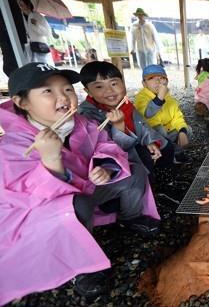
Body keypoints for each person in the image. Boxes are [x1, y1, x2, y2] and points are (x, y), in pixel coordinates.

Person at [0, 63, 161, 304]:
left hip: (87, 188)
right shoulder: (13, 145)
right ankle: (81, 268)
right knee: (78, 205)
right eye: (48, 91)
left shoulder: (81, 123)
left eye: (67, 89)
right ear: (22, 102)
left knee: (134, 172)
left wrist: (106, 167)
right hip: (43, 215)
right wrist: (52, 160)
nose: (63, 97)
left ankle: (131, 216)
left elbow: (106, 146)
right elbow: (23, 197)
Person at [78, 61, 175, 178]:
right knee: (144, 158)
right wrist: (118, 126)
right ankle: (148, 184)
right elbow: (109, 148)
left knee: (167, 146)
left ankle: (163, 174)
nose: (109, 91)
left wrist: (149, 140)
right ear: (88, 91)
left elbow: (141, 124)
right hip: (114, 156)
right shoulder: (87, 115)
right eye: (99, 86)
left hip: (137, 139)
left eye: (114, 84)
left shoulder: (125, 103)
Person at [134, 64, 190, 162]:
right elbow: (147, 113)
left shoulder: (169, 98)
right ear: (144, 84)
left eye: (161, 78)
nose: (157, 81)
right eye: (151, 78)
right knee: (160, 130)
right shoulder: (141, 97)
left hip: (168, 131)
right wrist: (160, 97)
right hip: (151, 136)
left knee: (187, 130)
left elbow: (177, 117)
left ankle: (177, 153)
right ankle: (162, 158)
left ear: (167, 81)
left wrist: (182, 131)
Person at [14, 0, 53, 65]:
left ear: (28, 4)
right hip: (31, 48)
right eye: (17, 4)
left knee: (44, 66)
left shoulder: (36, 16)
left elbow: (47, 32)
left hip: (40, 47)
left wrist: (37, 25)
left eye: (21, 3)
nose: (19, 5)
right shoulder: (24, 17)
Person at [0, 0, 27, 76]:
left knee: (11, 67)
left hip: (9, 38)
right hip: (12, 38)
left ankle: (20, 87)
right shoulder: (8, 0)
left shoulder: (4, 0)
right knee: (13, 66)